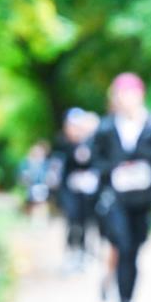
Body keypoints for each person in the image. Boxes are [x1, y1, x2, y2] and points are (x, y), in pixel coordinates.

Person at [93, 72, 151, 302]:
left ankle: (124, 296)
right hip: (116, 199)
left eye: (130, 94)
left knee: (135, 248)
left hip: (143, 200)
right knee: (124, 246)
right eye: (120, 95)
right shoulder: (106, 128)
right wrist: (116, 165)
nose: (125, 100)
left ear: (140, 95)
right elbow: (96, 162)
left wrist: (143, 155)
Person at [57, 107, 101, 273]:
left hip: (88, 191)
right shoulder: (64, 144)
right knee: (72, 221)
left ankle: (84, 253)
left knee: (86, 222)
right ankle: (72, 254)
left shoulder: (92, 143)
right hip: (70, 190)